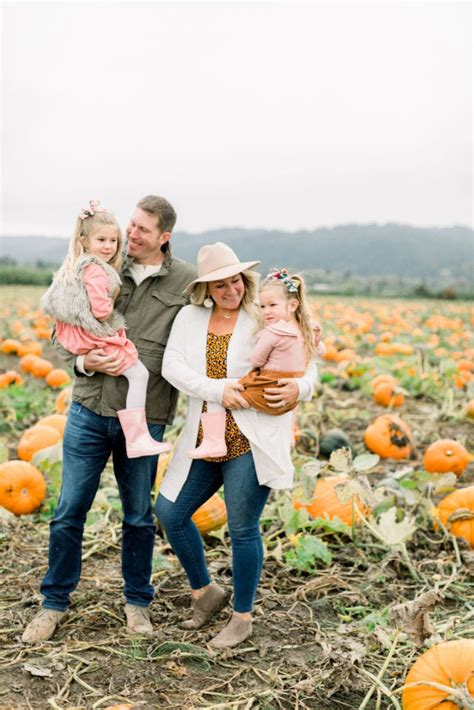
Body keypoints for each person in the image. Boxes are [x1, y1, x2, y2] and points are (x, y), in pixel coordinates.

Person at [22, 195, 196, 644]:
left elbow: (216, 328)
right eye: (129, 226)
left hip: (146, 416)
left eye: (141, 230)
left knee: (138, 516)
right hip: (88, 408)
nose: (130, 236)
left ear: (164, 237)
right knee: (68, 512)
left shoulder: (186, 283)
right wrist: (85, 365)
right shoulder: (96, 263)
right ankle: (53, 603)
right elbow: (61, 329)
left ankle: (138, 603)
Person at [155, 242, 318, 649]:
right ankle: (206, 592)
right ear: (206, 289)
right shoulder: (189, 319)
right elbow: (171, 365)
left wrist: (300, 387)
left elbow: (310, 356)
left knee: (243, 529)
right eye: (220, 285)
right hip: (205, 433)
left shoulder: (262, 314)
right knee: (170, 512)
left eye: (235, 281)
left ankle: (241, 617)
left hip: (252, 436)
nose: (231, 291)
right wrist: (216, 389)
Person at [40, 200, 172, 459]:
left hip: (90, 341)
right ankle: (137, 437)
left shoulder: (82, 265)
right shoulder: (99, 269)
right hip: (90, 396)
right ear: (85, 240)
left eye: (113, 241)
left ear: (163, 237)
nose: (110, 246)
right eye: (131, 226)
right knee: (138, 374)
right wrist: (111, 299)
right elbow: (97, 312)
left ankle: (136, 437)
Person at [188, 266, 326, 458]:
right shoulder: (305, 330)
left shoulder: (273, 331)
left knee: (221, 390)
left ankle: (214, 440)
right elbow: (318, 353)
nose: (266, 312)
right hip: (288, 401)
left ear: (293, 305)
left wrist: (260, 343)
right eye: (262, 306)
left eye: (272, 305)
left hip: (267, 388)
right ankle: (289, 436)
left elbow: (256, 360)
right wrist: (316, 342)